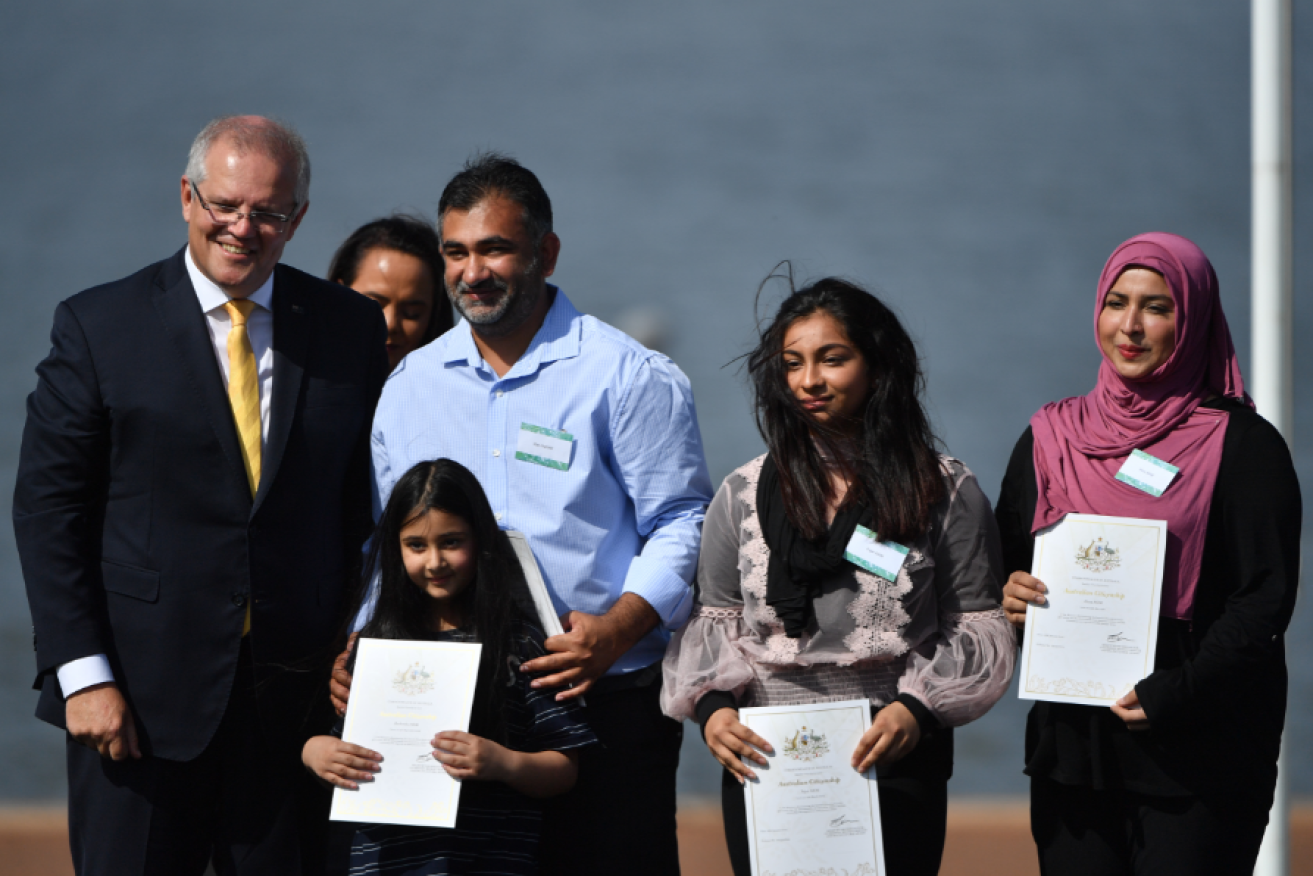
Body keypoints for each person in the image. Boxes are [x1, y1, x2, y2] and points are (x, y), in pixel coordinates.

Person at [12, 115, 389, 875]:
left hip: (295, 712)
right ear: (187, 197)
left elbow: (364, 507)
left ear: (297, 220)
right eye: (224, 205)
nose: (242, 227)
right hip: (135, 707)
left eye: (267, 212)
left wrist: (365, 636)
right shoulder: (98, 326)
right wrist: (84, 676)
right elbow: (48, 511)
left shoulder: (349, 328)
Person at [333, 153, 712, 875]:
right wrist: (360, 644)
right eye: (456, 252)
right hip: (452, 710)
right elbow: (386, 545)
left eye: (495, 248)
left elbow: (682, 520)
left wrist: (619, 626)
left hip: (603, 700)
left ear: (546, 252)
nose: (472, 271)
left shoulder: (626, 373)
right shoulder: (410, 386)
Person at [661, 276, 1016, 876]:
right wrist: (717, 712)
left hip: (895, 749)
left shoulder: (945, 490)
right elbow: (713, 623)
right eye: (793, 363)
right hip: (767, 758)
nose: (809, 381)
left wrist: (916, 712)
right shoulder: (742, 493)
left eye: (833, 359)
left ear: (878, 366)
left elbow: (978, 629)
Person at [995, 232, 1301, 875]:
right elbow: (1001, 569)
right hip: (1074, 752)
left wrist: (1176, 694)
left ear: (1192, 318)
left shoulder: (1243, 447)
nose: (1130, 326)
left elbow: (1262, 603)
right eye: (1116, 302)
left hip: (1199, 754)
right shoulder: (1049, 438)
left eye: (1157, 307)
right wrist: (1011, 597)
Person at [304, 459, 595, 874]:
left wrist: (503, 763)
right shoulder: (375, 643)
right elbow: (344, 747)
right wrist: (314, 752)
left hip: (490, 861)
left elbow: (565, 767)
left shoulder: (522, 642)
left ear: (481, 541)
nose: (435, 561)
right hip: (385, 862)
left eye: (452, 542)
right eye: (416, 545)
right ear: (395, 548)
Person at [328, 214, 455, 371]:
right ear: (337, 295)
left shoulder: (458, 393)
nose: (391, 324)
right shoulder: (294, 384)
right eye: (372, 305)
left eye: (412, 313)